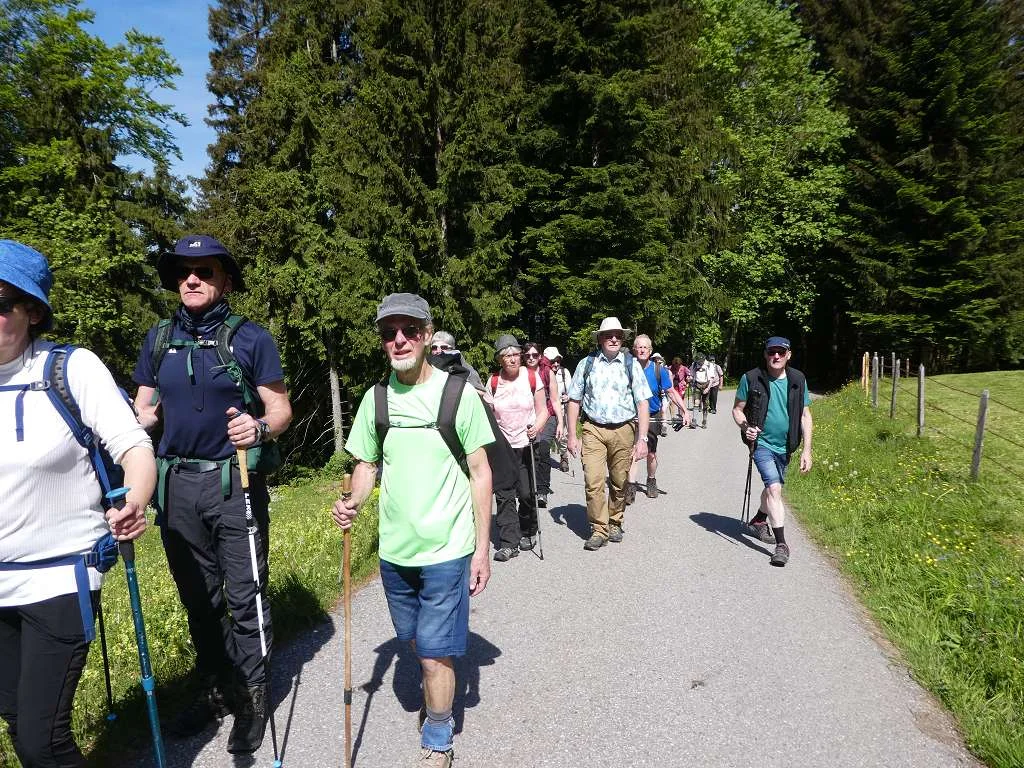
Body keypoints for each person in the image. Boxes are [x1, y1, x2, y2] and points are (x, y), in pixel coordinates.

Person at [132, 235, 292, 753]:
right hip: (175, 485)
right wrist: (142, 419)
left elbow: (280, 410)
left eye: (204, 271)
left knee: (245, 596)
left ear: (225, 280)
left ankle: (253, 696)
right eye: (183, 272)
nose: (192, 279)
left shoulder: (251, 339)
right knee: (199, 600)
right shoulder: (159, 339)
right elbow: (143, 407)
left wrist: (258, 428)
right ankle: (217, 686)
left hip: (233, 482)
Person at [0, 240, 155, 768]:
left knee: (41, 743)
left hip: (59, 578)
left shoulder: (70, 369)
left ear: (32, 312)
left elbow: (135, 448)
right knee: (18, 722)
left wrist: (135, 501)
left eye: (0, 302)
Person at [332, 293, 493, 768]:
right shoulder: (376, 399)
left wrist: (481, 549)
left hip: (448, 547)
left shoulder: (457, 394)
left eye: (409, 331)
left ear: (425, 335)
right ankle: (437, 680)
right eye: (389, 333)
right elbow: (367, 464)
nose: (399, 340)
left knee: (433, 655)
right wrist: (354, 502)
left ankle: (439, 736)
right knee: (418, 642)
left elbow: (480, 472)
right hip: (395, 552)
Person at [566, 317, 651, 550]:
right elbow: (574, 400)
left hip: (624, 429)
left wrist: (642, 439)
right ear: (600, 339)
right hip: (593, 429)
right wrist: (572, 435)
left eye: (618, 335)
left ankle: (615, 521)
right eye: (609, 335)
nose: (614, 339)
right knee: (593, 481)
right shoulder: (587, 364)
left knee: (619, 481)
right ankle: (599, 529)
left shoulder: (631, 364)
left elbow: (642, 403)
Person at [732, 336, 813, 567]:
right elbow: (737, 410)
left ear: (788, 355)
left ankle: (759, 520)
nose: (775, 356)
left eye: (780, 352)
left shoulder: (798, 379)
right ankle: (782, 545)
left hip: (786, 446)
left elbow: (805, 416)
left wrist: (807, 450)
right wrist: (746, 427)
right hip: (761, 444)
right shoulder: (751, 378)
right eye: (771, 352)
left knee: (772, 488)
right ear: (765, 354)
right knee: (774, 489)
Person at [486, 335, 548, 560]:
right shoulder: (493, 382)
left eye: (515, 354)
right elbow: (489, 416)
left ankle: (528, 530)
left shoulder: (531, 377)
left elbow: (543, 410)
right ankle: (508, 542)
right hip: (502, 448)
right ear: (500, 359)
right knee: (504, 495)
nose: (512, 359)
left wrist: (537, 427)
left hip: (526, 444)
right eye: (507, 355)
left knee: (526, 493)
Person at [626, 338, 690, 502]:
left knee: (651, 453)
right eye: (639, 347)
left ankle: (651, 480)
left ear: (650, 350)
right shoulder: (627, 368)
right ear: (634, 349)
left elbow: (671, 392)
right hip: (630, 416)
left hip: (652, 415)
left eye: (645, 347)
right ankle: (630, 486)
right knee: (633, 452)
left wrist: (685, 411)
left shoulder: (658, 370)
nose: (642, 350)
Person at [523, 340, 563, 506]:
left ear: (540, 356)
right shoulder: (520, 373)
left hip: (548, 414)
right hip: (527, 414)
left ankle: (542, 490)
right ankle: (528, 486)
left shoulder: (547, 372)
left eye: (534, 355)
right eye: (528, 355)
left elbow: (555, 399)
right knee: (529, 452)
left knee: (543, 449)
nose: (531, 358)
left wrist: (561, 422)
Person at [544, 347, 572, 472]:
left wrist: (568, 397)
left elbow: (572, 391)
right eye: (553, 361)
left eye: (558, 361)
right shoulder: (541, 373)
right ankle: (543, 458)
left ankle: (563, 457)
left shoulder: (564, 373)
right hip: (545, 411)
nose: (556, 364)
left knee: (562, 436)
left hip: (561, 409)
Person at [689, 353, 712, 428]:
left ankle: (704, 421)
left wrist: (708, 388)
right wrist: (689, 379)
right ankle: (694, 421)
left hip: (706, 385)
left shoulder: (709, 365)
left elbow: (711, 379)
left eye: (700, 361)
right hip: (697, 385)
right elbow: (691, 375)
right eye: (698, 361)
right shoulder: (694, 364)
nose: (699, 362)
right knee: (696, 402)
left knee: (705, 404)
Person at [669, 356, 689, 421]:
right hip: (672, 387)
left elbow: (689, 375)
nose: (676, 367)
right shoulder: (670, 368)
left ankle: (680, 416)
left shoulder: (684, 368)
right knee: (672, 402)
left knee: (680, 401)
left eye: (678, 365)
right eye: (675, 365)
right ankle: (672, 417)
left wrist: (688, 381)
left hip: (681, 387)